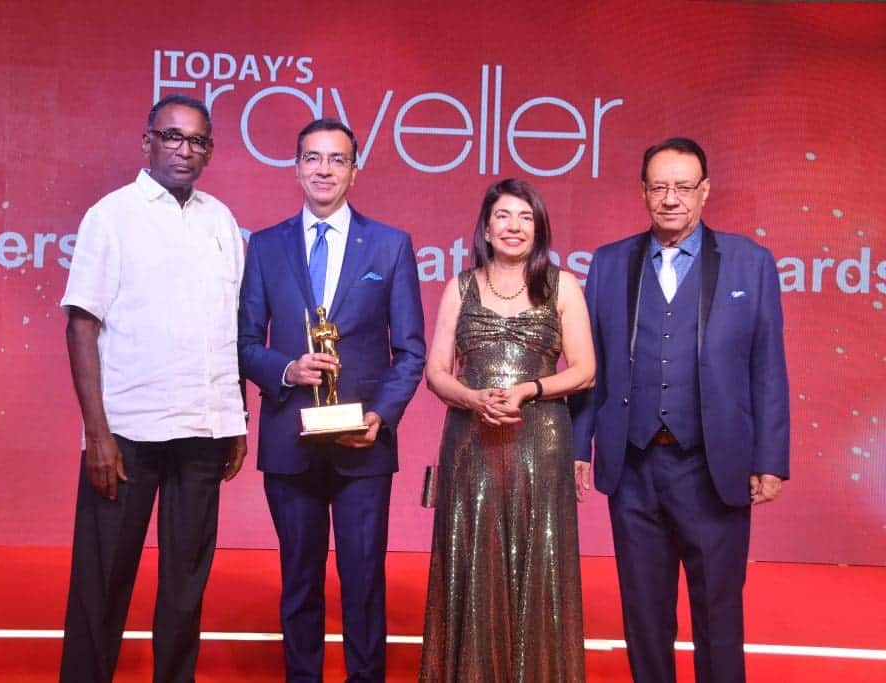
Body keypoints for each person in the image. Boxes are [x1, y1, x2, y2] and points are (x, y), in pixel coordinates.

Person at [570, 137, 790, 683]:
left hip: (713, 466)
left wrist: (771, 458)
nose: (671, 199)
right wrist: (579, 445)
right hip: (634, 464)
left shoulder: (750, 262)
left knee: (718, 615)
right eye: (660, 187)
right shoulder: (609, 262)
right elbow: (588, 365)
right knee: (644, 617)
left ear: (705, 191)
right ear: (643, 192)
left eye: (683, 187)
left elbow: (768, 367)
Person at [58, 94, 248, 683]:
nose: (184, 150)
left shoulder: (222, 221)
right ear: (147, 142)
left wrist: (236, 419)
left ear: (210, 151)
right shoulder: (110, 216)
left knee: (186, 585)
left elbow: (231, 330)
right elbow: (81, 325)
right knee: (103, 581)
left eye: (197, 141)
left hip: (204, 430)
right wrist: (98, 434)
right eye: (172, 137)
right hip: (128, 434)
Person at [238, 118, 426, 682]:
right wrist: (287, 368)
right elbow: (244, 343)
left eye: (337, 159)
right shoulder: (266, 246)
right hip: (290, 442)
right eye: (313, 158)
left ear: (354, 169)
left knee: (364, 580)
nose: (324, 169)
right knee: (299, 579)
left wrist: (381, 416)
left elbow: (411, 351)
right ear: (296, 167)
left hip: (362, 444)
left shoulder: (391, 246)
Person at [420, 178, 595, 682]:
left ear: (538, 228)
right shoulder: (460, 286)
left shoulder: (562, 286)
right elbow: (436, 371)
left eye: (525, 217)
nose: (514, 226)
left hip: (540, 442)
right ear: (486, 226)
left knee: (540, 559)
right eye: (504, 216)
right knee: (471, 558)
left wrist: (528, 390)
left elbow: (584, 370)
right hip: (470, 444)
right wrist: (472, 398)